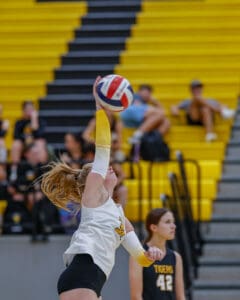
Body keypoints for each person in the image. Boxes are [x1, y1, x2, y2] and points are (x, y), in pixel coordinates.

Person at [40, 77, 163, 300]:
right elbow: (103, 149)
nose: (109, 169)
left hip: (95, 279)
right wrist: (100, 109)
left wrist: (151, 254)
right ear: (94, 180)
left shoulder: (120, 216)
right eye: (104, 169)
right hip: (83, 271)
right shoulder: (93, 196)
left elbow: (140, 257)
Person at [129, 208, 185, 300]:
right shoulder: (139, 255)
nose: (173, 226)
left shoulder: (176, 257)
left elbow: (180, 297)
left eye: (173, 222)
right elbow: (136, 297)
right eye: (167, 222)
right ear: (154, 227)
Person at [171, 80, 235, 142]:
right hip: (194, 118)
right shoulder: (187, 101)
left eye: (198, 88)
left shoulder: (210, 100)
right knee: (196, 99)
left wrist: (223, 107)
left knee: (205, 109)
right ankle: (222, 112)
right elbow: (174, 107)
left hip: (207, 118)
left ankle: (209, 133)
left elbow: (224, 105)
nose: (197, 90)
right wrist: (174, 110)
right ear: (191, 90)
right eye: (195, 88)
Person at [10, 100, 46, 181]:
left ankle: (41, 173)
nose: (30, 111)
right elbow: (16, 136)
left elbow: (40, 135)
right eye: (27, 109)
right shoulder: (19, 122)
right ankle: (14, 171)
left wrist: (34, 121)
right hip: (24, 145)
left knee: (40, 144)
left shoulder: (40, 121)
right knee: (16, 144)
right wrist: (26, 139)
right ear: (23, 111)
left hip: (35, 145)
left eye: (31, 109)